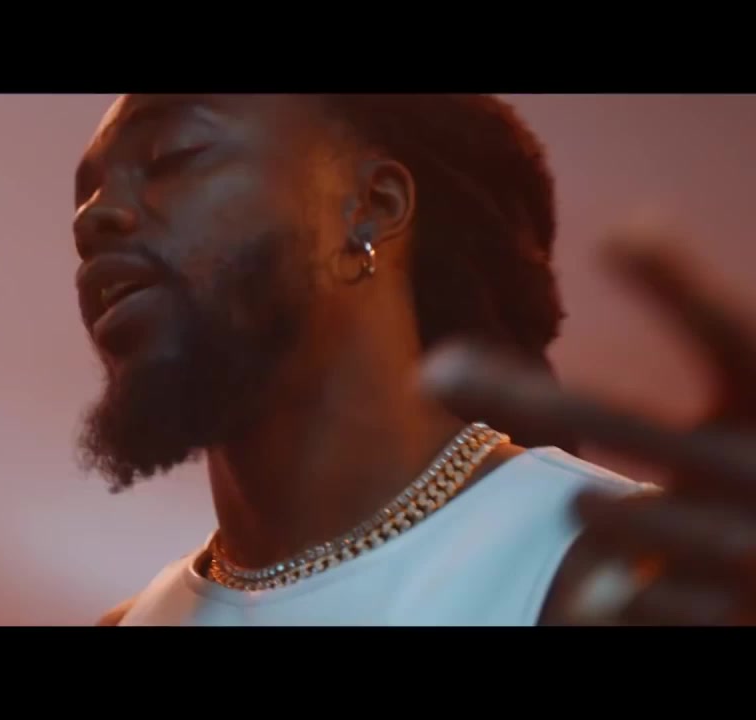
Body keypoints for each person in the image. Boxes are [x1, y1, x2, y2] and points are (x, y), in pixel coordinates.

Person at [70, 93, 755, 626]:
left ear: (371, 208)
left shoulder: (621, 573)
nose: (90, 218)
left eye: (168, 156)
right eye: (87, 193)